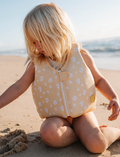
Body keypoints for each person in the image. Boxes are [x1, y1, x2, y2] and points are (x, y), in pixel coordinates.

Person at [0, 3, 120, 154]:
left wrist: (113, 96)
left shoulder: (81, 56)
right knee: (48, 133)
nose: (37, 47)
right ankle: (81, 134)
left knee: (97, 145)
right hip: (57, 118)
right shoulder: (36, 64)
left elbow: (99, 80)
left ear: (57, 32)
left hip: (82, 113)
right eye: (33, 42)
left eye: (40, 40)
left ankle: (115, 132)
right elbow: (18, 86)